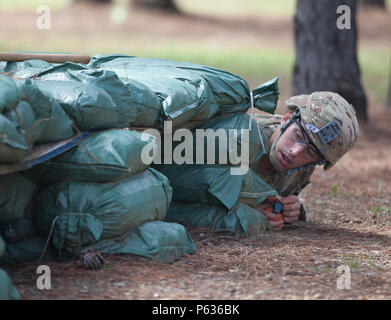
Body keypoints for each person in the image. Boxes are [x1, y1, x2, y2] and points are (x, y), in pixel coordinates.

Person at [251, 92, 360, 230]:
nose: (295, 152)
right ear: (287, 118)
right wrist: (247, 215)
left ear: (317, 162)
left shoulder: (303, 169)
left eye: (309, 152)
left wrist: (293, 210)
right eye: (297, 135)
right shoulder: (241, 139)